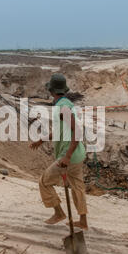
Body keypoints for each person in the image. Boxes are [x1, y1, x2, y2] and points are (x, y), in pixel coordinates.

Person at [30, 73, 88, 230]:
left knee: (44, 182)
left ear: (51, 90)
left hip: (68, 156)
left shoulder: (62, 107)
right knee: (77, 187)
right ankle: (83, 222)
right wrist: (42, 140)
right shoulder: (64, 103)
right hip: (78, 154)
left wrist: (67, 156)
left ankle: (59, 213)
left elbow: (77, 131)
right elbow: (60, 130)